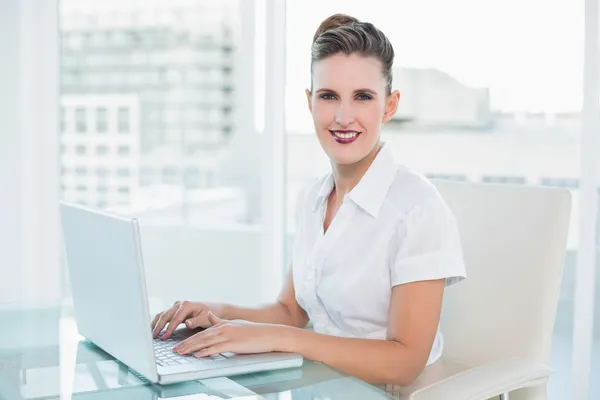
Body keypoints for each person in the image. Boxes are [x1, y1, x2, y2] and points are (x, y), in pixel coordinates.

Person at [151, 13, 466, 387]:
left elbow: (404, 362)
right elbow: (289, 312)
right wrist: (216, 312)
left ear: (390, 105)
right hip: (322, 384)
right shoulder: (313, 198)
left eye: (362, 97)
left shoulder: (417, 209)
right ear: (310, 102)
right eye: (328, 96)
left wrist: (281, 339)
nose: (343, 116)